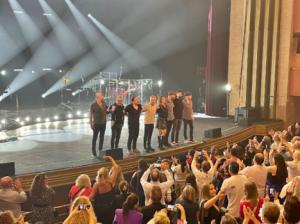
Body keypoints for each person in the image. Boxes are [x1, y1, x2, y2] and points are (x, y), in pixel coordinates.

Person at [89, 156, 119, 224]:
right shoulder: (111, 181)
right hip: (111, 209)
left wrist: (81, 201)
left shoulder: (96, 185)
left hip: (100, 210)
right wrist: (110, 158)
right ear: (107, 174)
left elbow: (91, 197)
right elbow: (116, 167)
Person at [90, 92, 108, 157]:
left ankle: (100, 149)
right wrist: (91, 123)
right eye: (101, 96)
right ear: (98, 97)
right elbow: (91, 115)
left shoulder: (104, 104)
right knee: (95, 138)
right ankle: (93, 151)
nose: (102, 96)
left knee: (102, 137)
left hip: (103, 123)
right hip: (96, 124)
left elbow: (107, 111)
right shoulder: (93, 105)